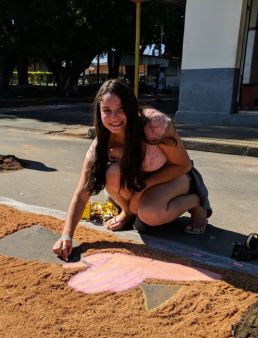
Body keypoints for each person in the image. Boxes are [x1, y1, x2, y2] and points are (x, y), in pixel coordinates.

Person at [53, 79, 212, 261]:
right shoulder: (101, 145)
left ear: (131, 107)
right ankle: (127, 212)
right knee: (112, 172)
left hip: (175, 177)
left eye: (121, 109)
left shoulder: (154, 125)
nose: (114, 117)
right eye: (107, 111)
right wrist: (66, 236)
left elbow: (183, 165)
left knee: (149, 215)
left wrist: (142, 189)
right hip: (140, 184)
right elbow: (81, 193)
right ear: (99, 112)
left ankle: (195, 202)